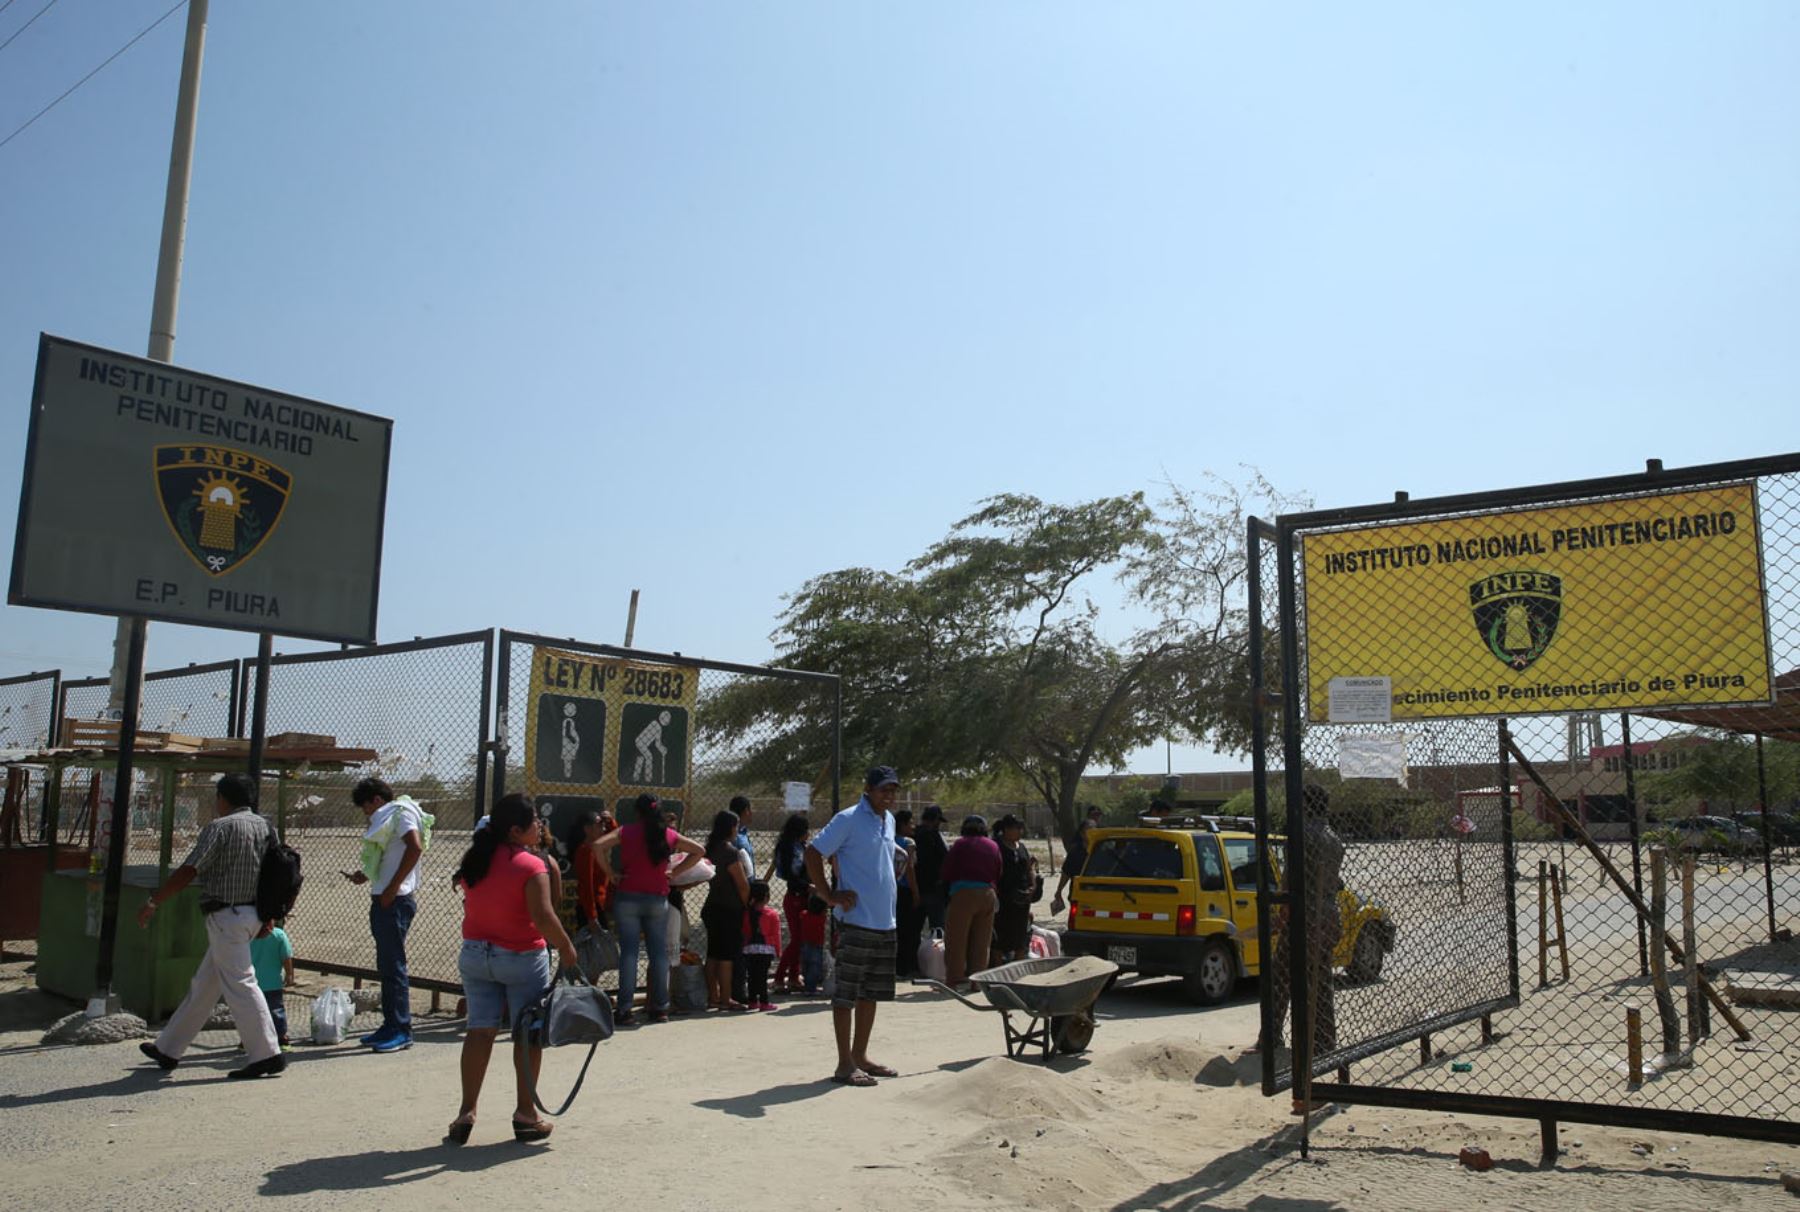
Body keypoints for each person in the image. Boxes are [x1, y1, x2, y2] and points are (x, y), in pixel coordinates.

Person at [448, 793, 580, 1145]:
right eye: (535, 822)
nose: (540, 827)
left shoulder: (476, 861)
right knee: (527, 1035)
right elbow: (543, 916)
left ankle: (466, 1112)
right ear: (516, 830)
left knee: (480, 1031)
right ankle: (526, 1115)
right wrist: (566, 947)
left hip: (476, 955)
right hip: (520, 957)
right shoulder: (530, 865)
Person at [136, 772, 285, 1078]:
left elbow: (191, 868)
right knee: (205, 985)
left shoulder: (220, 827)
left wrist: (154, 901)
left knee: (241, 983)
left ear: (223, 798)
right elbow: (276, 874)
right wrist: (270, 916)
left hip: (225, 916)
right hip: (252, 915)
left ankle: (267, 1053)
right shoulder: (266, 827)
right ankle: (168, 1048)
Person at [804, 765, 909, 1087]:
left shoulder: (888, 820)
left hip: (884, 922)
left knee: (871, 992)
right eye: (883, 790)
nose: (889, 795)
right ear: (868, 789)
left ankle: (860, 1055)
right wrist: (827, 894)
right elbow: (813, 852)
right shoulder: (848, 819)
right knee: (847, 993)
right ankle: (844, 1064)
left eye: (892, 790)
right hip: (856, 921)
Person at [1264, 783, 1347, 1111]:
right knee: (1319, 982)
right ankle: (1324, 1042)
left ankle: (1278, 1040)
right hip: (1328, 915)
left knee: (1285, 977)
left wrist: (1282, 912)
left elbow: (1290, 880)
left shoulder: (1302, 836)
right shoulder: (1334, 838)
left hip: (1305, 916)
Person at [592, 794, 705, 1024]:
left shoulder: (626, 831)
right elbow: (699, 850)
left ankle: (624, 1009)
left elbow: (597, 845)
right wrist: (676, 871)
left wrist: (610, 873)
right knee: (658, 953)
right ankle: (660, 1008)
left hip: (628, 897)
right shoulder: (668, 834)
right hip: (657, 898)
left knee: (630, 954)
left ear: (637, 812)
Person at [341, 777, 429, 1054]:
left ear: (376, 800)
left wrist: (392, 888)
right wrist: (365, 875)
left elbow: (414, 847)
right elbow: (389, 855)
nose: (367, 814)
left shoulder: (400, 814)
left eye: (366, 808)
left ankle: (401, 1029)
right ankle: (391, 1024)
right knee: (387, 966)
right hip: (387, 898)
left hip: (394, 900)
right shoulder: (393, 816)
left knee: (393, 967)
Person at [940, 814, 1002, 989]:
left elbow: (947, 870)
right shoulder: (993, 845)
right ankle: (977, 981)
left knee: (956, 940)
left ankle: (955, 979)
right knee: (982, 941)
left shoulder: (960, 844)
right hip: (988, 894)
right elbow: (998, 870)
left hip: (963, 894)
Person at [702, 809, 752, 1012]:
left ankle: (713, 996)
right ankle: (726, 998)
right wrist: (747, 904)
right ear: (731, 827)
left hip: (712, 906)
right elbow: (741, 884)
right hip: (728, 910)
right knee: (726, 956)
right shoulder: (730, 852)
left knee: (713, 954)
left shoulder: (710, 848)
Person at [772, 813, 812, 993]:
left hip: (804, 896)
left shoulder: (801, 846)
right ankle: (780, 977)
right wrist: (809, 886)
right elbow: (790, 875)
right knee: (797, 939)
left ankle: (794, 976)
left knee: (802, 938)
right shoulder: (788, 849)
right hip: (795, 896)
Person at [993, 814, 1037, 963]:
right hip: (1003, 899)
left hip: (1022, 900)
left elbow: (1028, 869)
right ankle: (998, 970)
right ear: (1006, 829)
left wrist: (1033, 886)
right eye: (1017, 828)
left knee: (1020, 937)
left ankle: (1017, 968)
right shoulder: (996, 846)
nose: (1020, 832)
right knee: (1000, 937)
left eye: (1021, 829)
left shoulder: (1022, 847)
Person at [249, 917, 295, 1050]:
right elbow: (286, 957)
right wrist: (289, 974)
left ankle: (250, 1039)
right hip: (273, 983)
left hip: (252, 983)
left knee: (252, 1011)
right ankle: (281, 1038)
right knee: (276, 1011)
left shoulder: (248, 936)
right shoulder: (279, 935)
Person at [569, 809, 616, 931]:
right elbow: (587, 885)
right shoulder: (586, 851)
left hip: (598, 905)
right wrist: (592, 916)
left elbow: (613, 835)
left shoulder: (595, 847)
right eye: (599, 826)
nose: (603, 829)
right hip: (592, 907)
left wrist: (610, 821)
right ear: (587, 829)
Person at [741, 880, 781, 1011]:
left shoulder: (746, 914)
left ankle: (752, 1001)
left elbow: (745, 931)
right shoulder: (772, 914)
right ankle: (764, 1002)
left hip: (749, 949)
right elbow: (776, 935)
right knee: (762, 977)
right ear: (766, 897)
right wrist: (778, 950)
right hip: (766, 949)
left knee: (752, 976)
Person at [1050, 813, 1099, 915]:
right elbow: (1067, 872)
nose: (1091, 833)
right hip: (1078, 893)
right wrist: (1059, 891)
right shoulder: (1075, 852)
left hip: (1097, 893)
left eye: (1094, 830)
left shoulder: (1101, 850)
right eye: (1088, 830)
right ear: (1082, 833)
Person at [892, 809, 920, 977]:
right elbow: (909, 868)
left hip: (888, 889)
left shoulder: (887, 840)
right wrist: (915, 892)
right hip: (903, 889)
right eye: (910, 823)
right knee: (906, 930)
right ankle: (904, 966)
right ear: (902, 825)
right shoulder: (908, 843)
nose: (913, 826)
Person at [913, 804, 949, 930]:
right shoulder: (933, 835)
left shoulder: (913, 833)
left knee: (914, 930)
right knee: (938, 930)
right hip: (933, 889)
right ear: (934, 819)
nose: (939, 824)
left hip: (914, 888)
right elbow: (946, 857)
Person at [798, 892, 828, 995]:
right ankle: (811, 989)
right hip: (816, 945)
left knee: (806, 966)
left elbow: (802, 914)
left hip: (805, 944)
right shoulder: (821, 918)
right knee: (815, 967)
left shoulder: (804, 914)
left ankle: (808, 986)